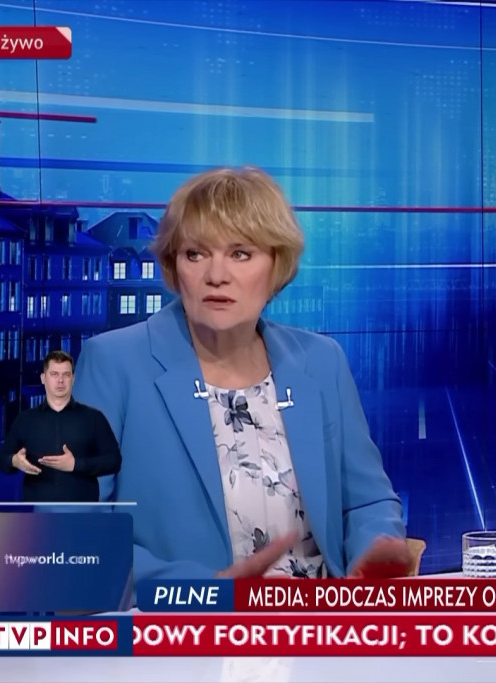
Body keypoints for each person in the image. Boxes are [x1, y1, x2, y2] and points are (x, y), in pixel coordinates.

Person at [73, 167, 409, 581]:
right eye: (195, 254)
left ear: (277, 265)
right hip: (192, 618)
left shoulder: (321, 362)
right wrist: (205, 591)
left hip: (322, 614)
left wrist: (372, 555)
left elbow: (367, 502)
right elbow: (74, 538)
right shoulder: (114, 364)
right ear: (174, 267)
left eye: (240, 254)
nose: (216, 276)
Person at [0, 350, 122, 502]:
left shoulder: (93, 418)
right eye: (54, 374)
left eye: (66, 375)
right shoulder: (25, 419)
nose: (60, 380)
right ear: (43, 378)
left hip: (82, 510)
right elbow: (2, 459)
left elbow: (114, 460)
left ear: (73, 379)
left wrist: (76, 465)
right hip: (37, 511)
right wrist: (14, 461)